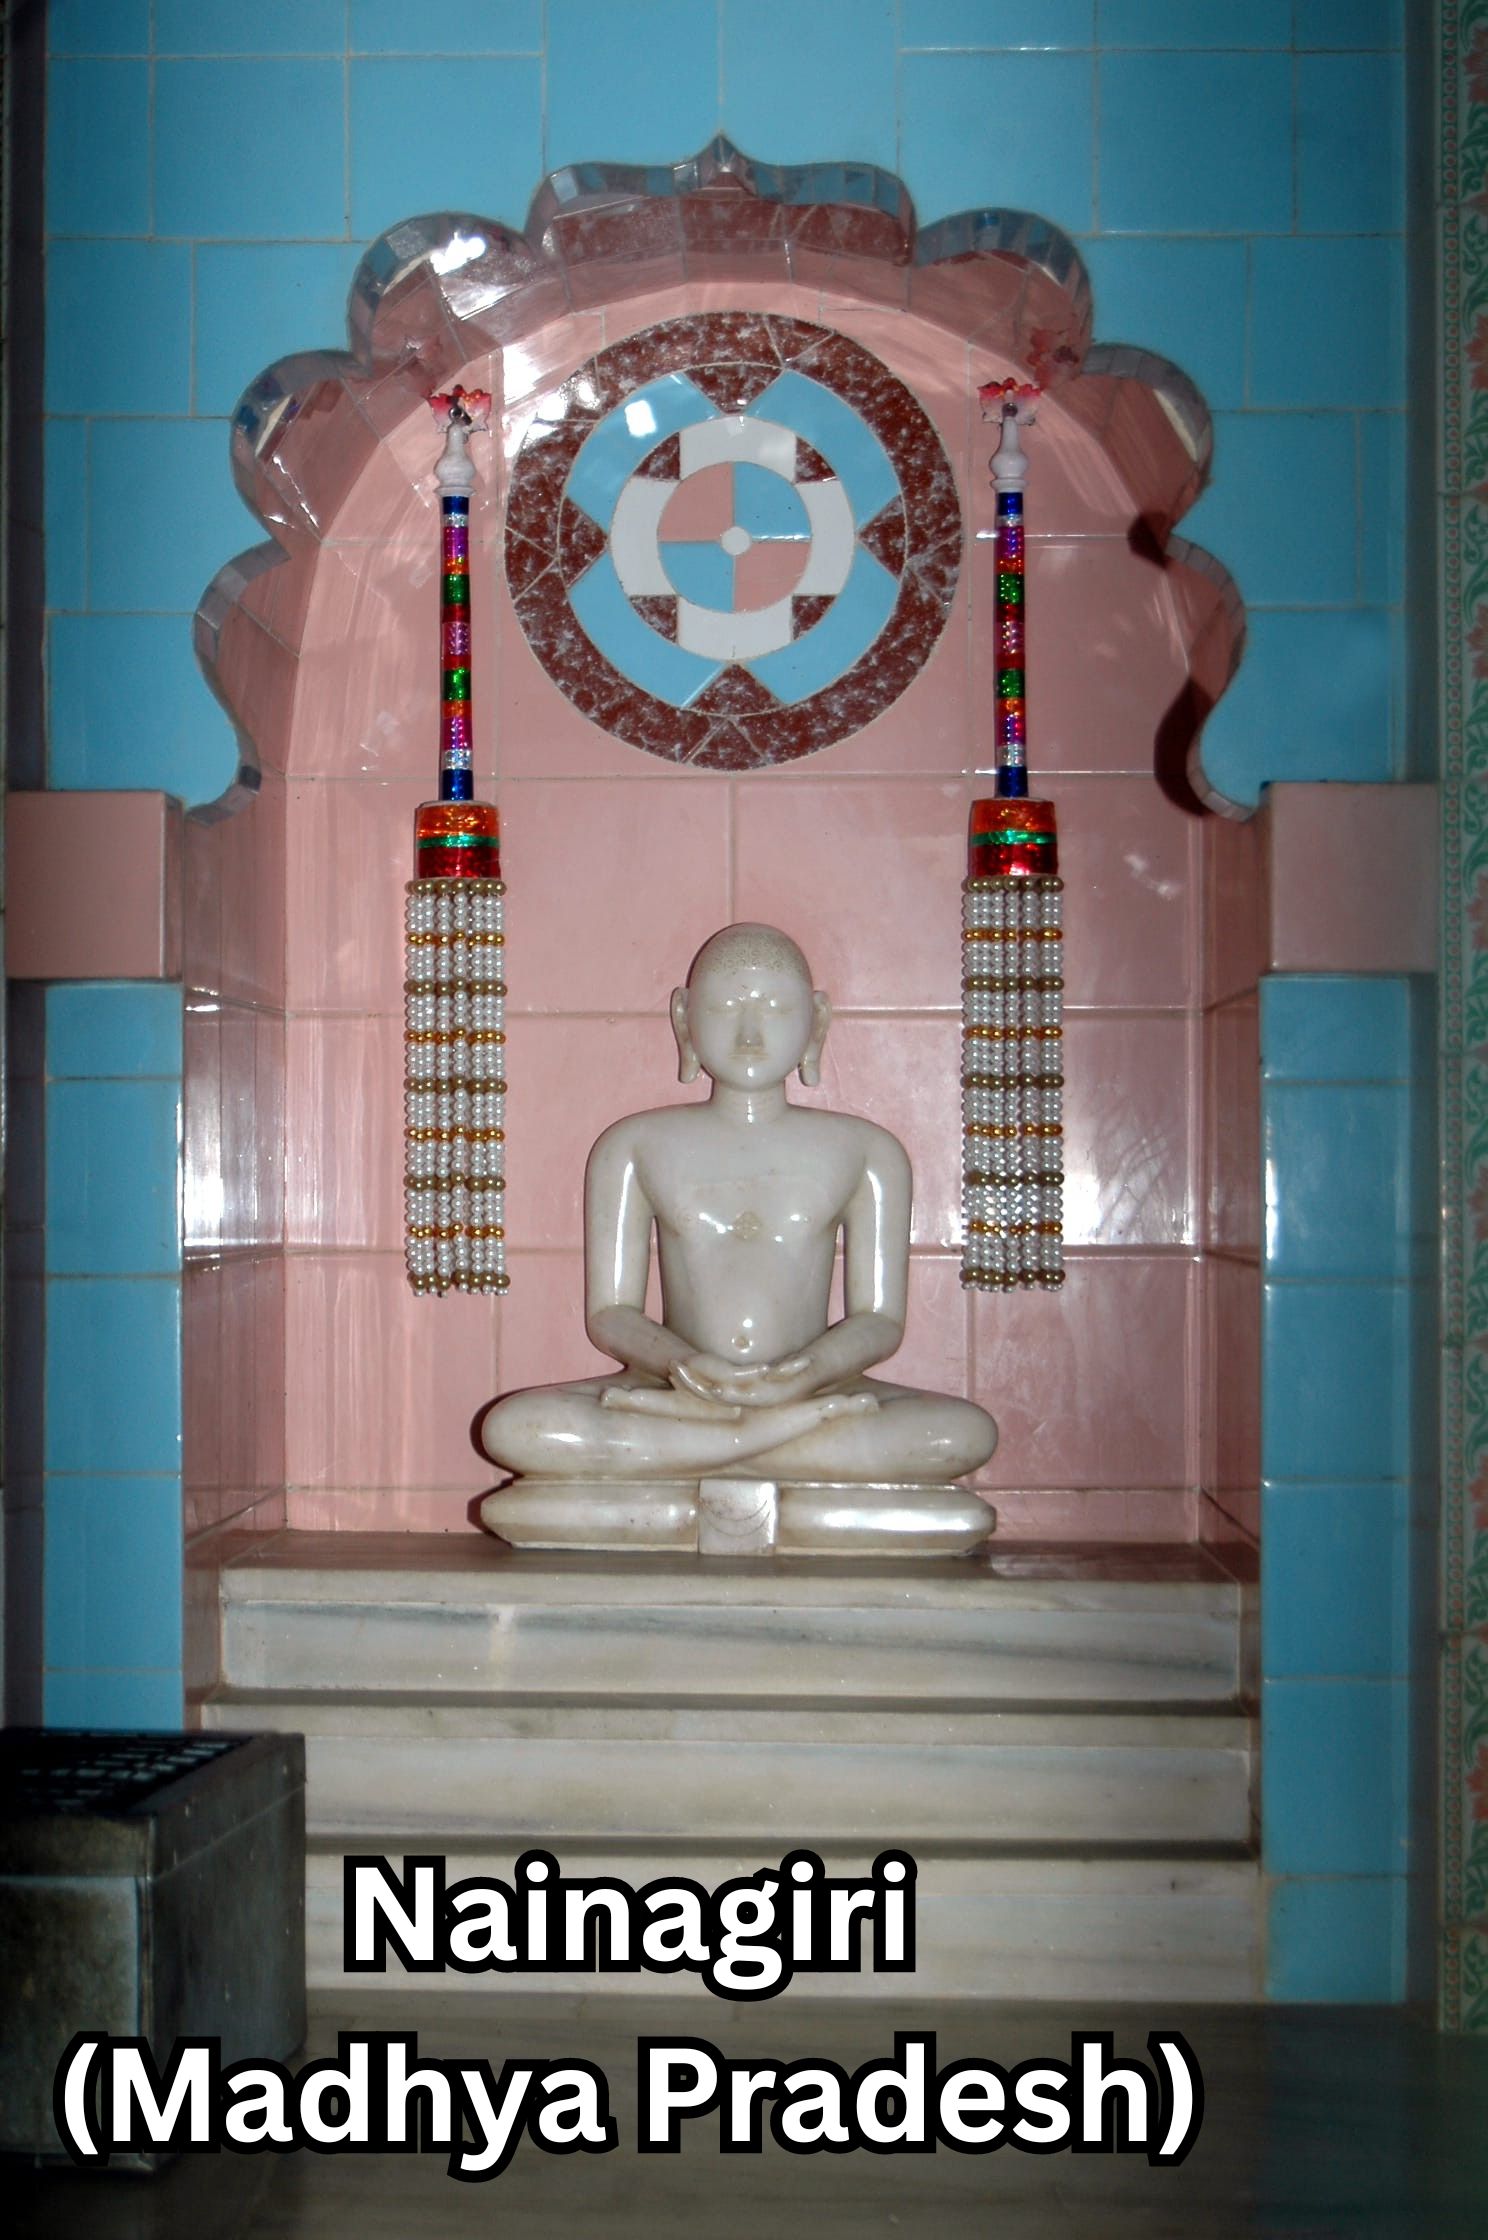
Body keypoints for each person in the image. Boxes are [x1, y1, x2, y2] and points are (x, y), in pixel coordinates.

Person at [481, 923, 997, 1490]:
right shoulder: (632, 1145)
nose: (749, 1034)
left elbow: (880, 1320)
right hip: (677, 1392)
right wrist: (681, 1365)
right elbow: (611, 1313)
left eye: (777, 1009)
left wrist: (810, 1373)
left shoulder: (868, 1151)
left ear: (817, 1021)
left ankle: (717, 1449)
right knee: (516, 1427)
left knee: (962, 1433)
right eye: (725, 1007)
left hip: (808, 1394)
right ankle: (766, 1443)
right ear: (684, 1019)